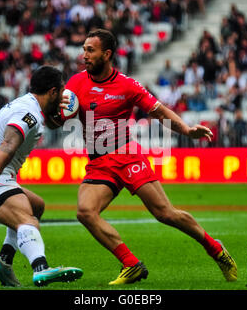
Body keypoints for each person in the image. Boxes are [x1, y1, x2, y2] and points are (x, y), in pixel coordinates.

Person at [62, 29, 237, 285]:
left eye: (91, 50)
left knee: (165, 213)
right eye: (84, 49)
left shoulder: (126, 85)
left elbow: (160, 111)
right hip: (99, 163)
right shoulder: (76, 83)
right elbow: (59, 117)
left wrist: (187, 129)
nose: (84, 55)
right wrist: (55, 115)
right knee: (85, 212)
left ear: (107, 54)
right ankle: (131, 264)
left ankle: (216, 250)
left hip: (127, 156)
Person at [0, 65, 83, 287]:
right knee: (27, 219)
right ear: (54, 91)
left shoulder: (30, 107)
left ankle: (4, 260)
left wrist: (59, 115)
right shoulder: (28, 112)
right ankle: (41, 267)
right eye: (62, 90)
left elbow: (48, 123)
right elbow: (8, 144)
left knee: (36, 206)